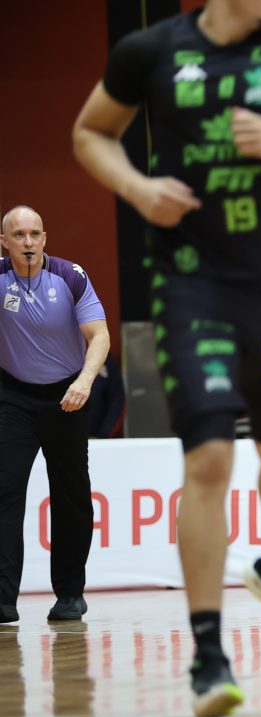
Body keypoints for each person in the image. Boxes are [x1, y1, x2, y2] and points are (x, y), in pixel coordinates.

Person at [73, 0, 261, 717]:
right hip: (191, 284)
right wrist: (137, 188)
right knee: (208, 457)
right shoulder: (151, 50)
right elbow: (90, 132)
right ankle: (208, 654)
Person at [0, 206, 110, 625]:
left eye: (35, 234)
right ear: (5, 243)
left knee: (71, 494)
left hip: (68, 395)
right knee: (4, 490)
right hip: (13, 395)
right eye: (19, 235)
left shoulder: (70, 277)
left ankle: (69, 595)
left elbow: (99, 335)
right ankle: (2, 599)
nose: (28, 242)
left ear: (45, 238)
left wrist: (84, 382)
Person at [89, 352, 127, 439]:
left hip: (99, 438)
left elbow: (118, 401)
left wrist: (103, 435)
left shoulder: (105, 358)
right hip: (68, 436)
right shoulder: (65, 357)